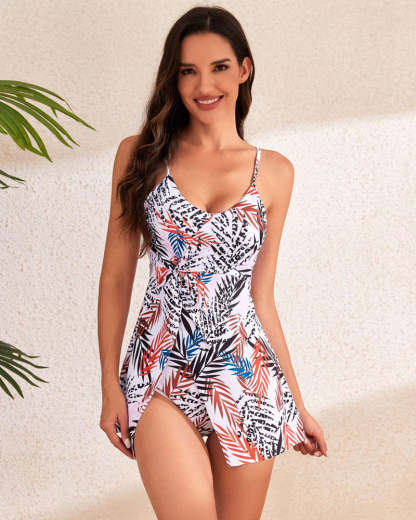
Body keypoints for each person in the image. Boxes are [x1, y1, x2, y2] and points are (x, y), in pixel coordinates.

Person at [98, 5, 328, 519]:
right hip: (161, 369)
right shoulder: (140, 156)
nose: (204, 85)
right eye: (188, 70)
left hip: (247, 377)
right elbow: (115, 278)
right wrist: (109, 385)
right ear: (173, 77)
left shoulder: (275, 172)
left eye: (219, 67)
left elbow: (260, 297)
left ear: (244, 69)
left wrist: (296, 403)